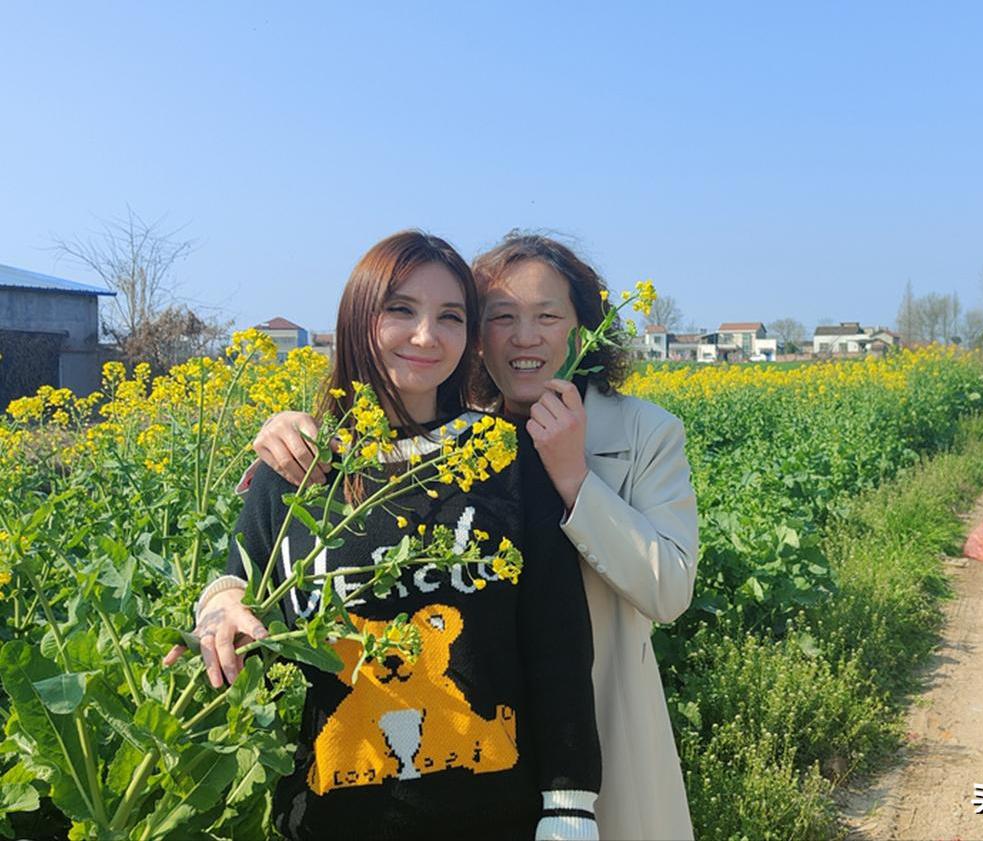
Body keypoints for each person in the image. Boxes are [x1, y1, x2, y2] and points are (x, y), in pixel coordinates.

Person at [248, 233, 698, 840]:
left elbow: (669, 590)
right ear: (479, 336)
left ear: (583, 327)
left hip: (589, 719)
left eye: (548, 316)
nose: (524, 336)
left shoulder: (644, 432)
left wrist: (571, 476)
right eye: (501, 317)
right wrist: (288, 433)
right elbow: (259, 569)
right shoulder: (445, 423)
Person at [168, 231, 601, 840]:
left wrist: (570, 804)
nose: (427, 336)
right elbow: (240, 578)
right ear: (358, 318)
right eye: (401, 309)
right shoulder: (300, 462)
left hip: (491, 816)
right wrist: (220, 606)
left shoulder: (506, 458)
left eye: (450, 316)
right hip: (333, 817)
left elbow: (557, 643)